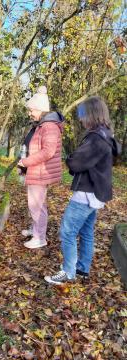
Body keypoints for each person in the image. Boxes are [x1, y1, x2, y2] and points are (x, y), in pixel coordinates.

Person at [44, 96, 120, 285]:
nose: (80, 118)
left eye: (83, 114)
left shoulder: (96, 139)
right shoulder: (105, 135)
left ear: (92, 114)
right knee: (86, 232)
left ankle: (68, 272)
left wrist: (69, 159)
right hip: (94, 193)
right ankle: (82, 268)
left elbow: (76, 163)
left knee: (67, 232)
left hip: (86, 194)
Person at [18, 86, 64, 249]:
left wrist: (26, 162)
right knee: (36, 204)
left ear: (39, 109)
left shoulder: (49, 126)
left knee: (37, 205)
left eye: (31, 110)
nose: (30, 113)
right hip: (36, 170)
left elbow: (48, 152)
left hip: (40, 171)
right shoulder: (42, 124)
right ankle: (35, 229)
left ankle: (40, 237)